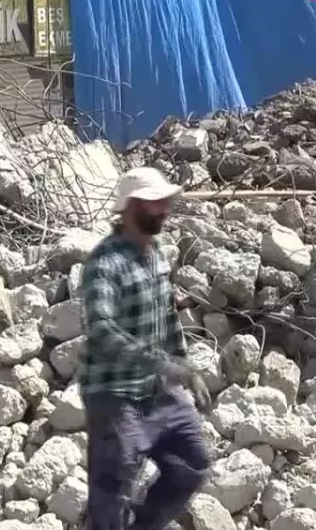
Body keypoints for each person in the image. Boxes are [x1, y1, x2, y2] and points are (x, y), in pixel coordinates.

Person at [81, 167, 212, 530]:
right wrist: (162, 364)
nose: (164, 210)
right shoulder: (104, 264)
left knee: (193, 464)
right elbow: (102, 331)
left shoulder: (157, 255)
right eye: (155, 204)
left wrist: (183, 363)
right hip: (114, 396)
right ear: (130, 207)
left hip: (159, 392)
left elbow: (167, 317)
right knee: (112, 494)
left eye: (165, 202)